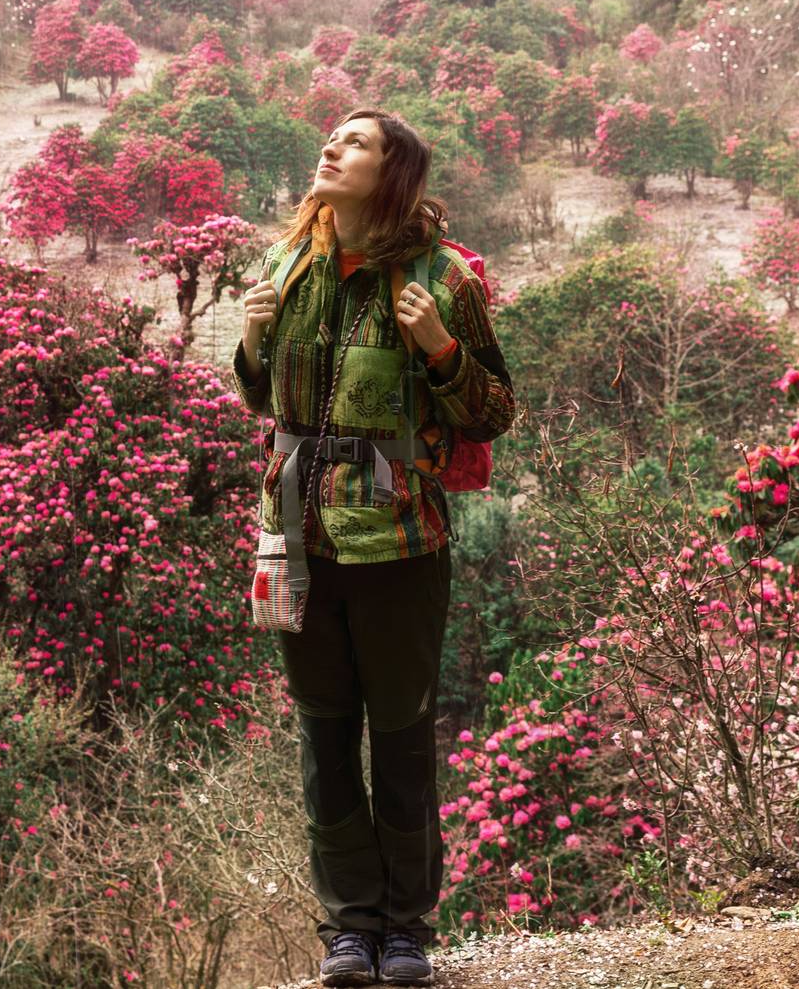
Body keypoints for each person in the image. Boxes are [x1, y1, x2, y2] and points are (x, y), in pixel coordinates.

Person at [232, 109, 518, 987]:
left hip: (399, 540)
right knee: (323, 742)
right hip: (292, 538)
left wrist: (437, 347)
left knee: (398, 740)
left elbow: (493, 411)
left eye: (356, 143)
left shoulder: (443, 277)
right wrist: (250, 341)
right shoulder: (287, 265)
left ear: (395, 173)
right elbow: (263, 399)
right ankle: (350, 930)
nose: (332, 147)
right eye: (333, 136)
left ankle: (406, 931)